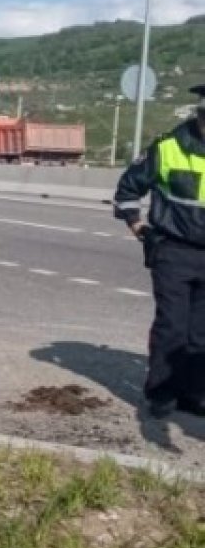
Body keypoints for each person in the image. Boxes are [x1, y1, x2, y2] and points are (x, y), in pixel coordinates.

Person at [114, 84, 205, 417]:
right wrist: (139, 228)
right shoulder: (169, 148)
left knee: (201, 332)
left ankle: (194, 393)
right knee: (173, 326)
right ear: (200, 116)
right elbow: (127, 190)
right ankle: (161, 393)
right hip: (174, 251)